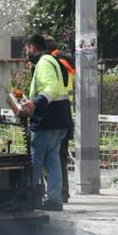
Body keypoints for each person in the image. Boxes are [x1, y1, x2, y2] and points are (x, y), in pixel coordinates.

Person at [19, 34, 71, 212]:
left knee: (36, 160)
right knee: (53, 161)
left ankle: (30, 198)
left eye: (27, 49)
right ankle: (55, 200)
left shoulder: (43, 63)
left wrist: (34, 103)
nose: (27, 52)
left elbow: (52, 88)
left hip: (47, 120)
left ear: (32, 47)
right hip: (60, 119)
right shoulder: (54, 60)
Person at [43, 36, 76, 203]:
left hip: (51, 114)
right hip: (65, 113)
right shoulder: (65, 62)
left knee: (48, 157)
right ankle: (62, 193)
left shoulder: (50, 64)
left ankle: (54, 193)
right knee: (60, 156)